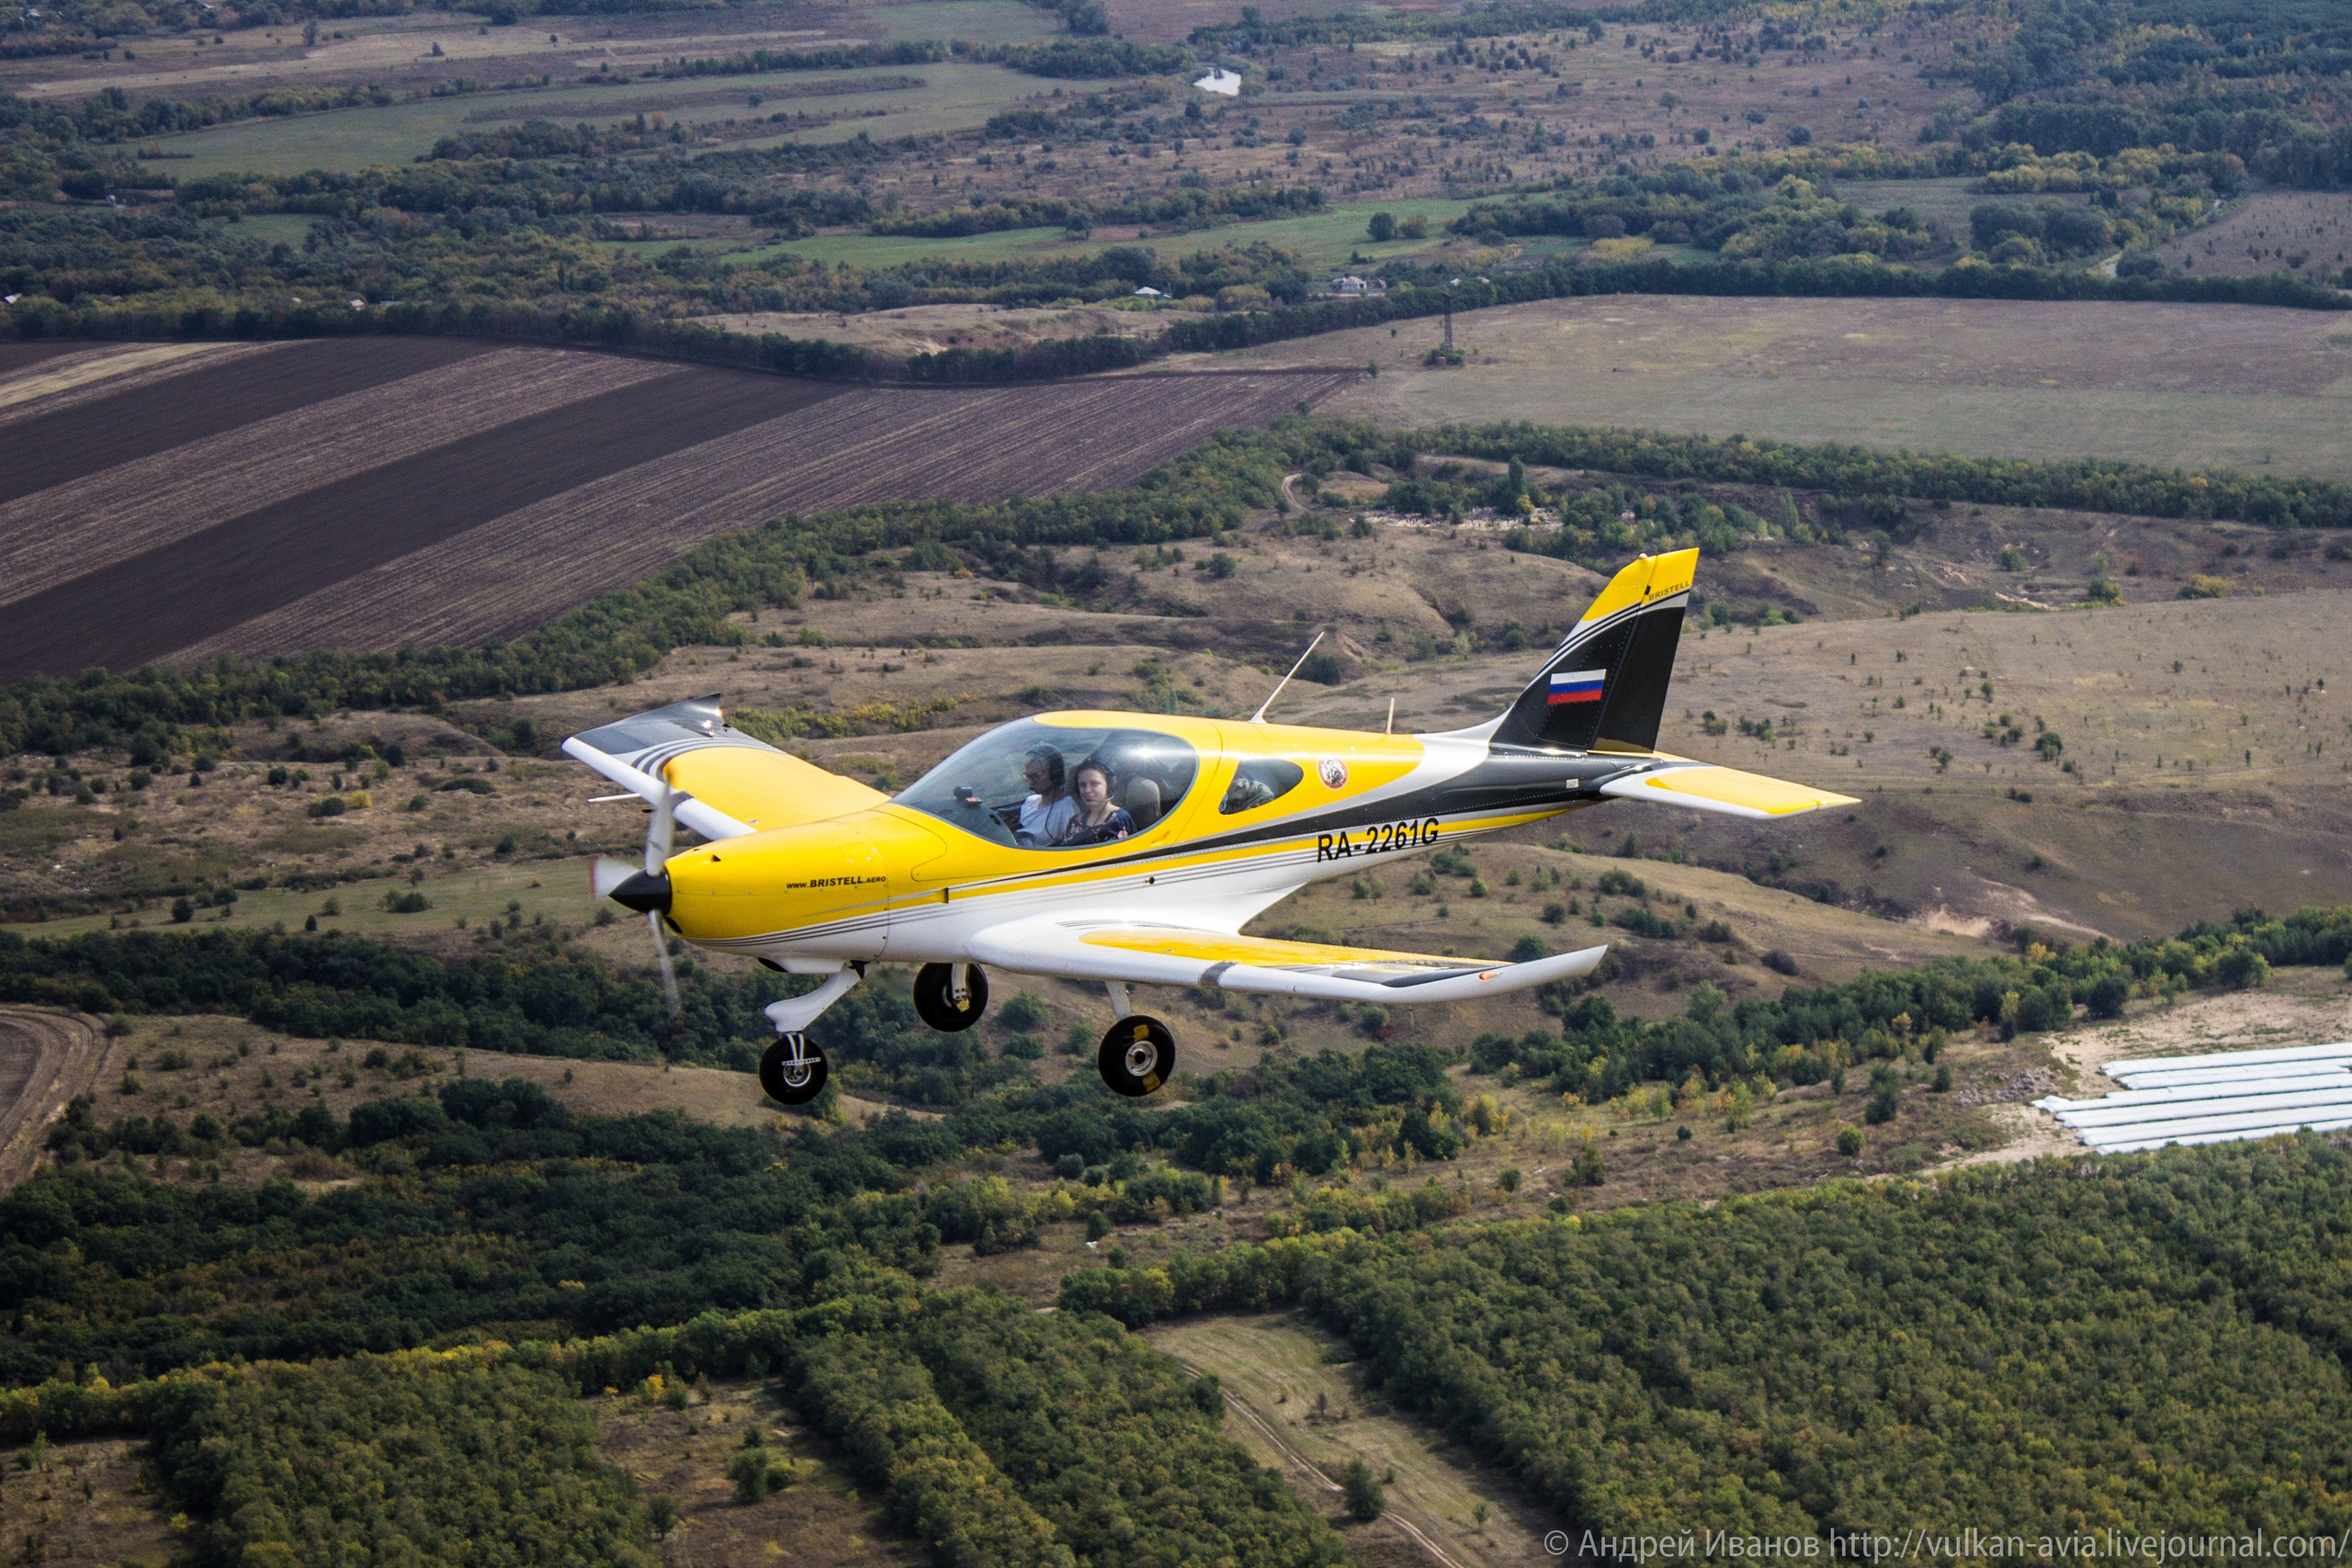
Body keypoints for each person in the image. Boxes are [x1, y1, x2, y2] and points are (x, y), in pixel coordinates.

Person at [1057, 758, 1136, 845]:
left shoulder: (1120, 820)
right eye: (1082, 785)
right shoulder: (1075, 821)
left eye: (1094, 784)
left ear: (1109, 786)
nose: (1087, 790)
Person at [1017, 746, 1077, 846]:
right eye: (1027, 776)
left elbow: (1069, 846)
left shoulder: (1067, 809)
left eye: (1036, 776)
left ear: (1055, 775)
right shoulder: (1030, 802)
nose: (1030, 782)